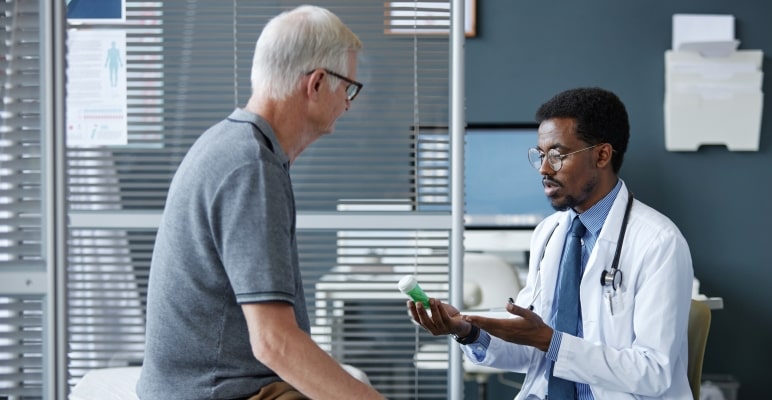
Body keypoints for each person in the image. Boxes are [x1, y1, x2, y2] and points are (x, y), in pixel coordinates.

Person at [137, 6, 384, 400]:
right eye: (348, 88)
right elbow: (273, 342)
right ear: (317, 83)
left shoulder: (230, 143)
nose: (349, 103)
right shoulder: (250, 167)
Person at [408, 87, 694, 399]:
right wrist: (467, 331)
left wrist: (549, 340)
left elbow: (653, 374)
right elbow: (529, 353)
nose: (544, 169)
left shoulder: (659, 243)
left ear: (602, 155)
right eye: (541, 155)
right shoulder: (550, 233)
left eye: (557, 156)